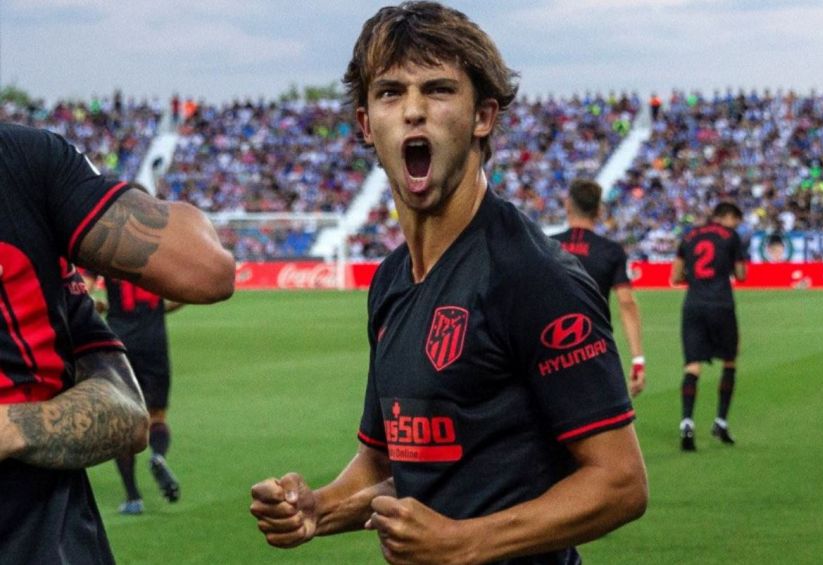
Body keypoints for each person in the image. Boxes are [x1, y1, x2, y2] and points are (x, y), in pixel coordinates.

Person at [250, 3, 648, 564]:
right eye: (390, 92)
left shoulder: (533, 275)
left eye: (438, 90)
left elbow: (621, 483)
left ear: (482, 116)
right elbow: (385, 461)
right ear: (365, 123)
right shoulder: (391, 280)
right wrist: (317, 508)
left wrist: (467, 542)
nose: (413, 110)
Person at [0, 121, 235, 564]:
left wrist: (10, 429)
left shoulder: (24, 168)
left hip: (45, 538)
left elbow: (126, 414)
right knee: (157, 412)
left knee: (145, 414)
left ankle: (131, 494)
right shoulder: (28, 164)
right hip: (148, 340)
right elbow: (209, 269)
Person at [82, 270, 184, 515]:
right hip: (154, 341)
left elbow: (83, 292)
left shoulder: (105, 252)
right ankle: (158, 456)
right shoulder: (156, 254)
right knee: (157, 415)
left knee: (123, 420)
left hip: (120, 342)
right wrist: (158, 310)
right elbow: (184, 293)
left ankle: (133, 497)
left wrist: (100, 305)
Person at [552, 179, 646, 397]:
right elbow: (626, 302)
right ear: (599, 210)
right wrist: (638, 360)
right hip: (594, 348)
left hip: (550, 349)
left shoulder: (544, 245)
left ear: (568, 205)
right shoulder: (611, 251)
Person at [670, 202, 747, 452]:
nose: (737, 225)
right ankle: (721, 421)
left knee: (692, 365)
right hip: (721, 305)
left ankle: (686, 422)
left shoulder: (690, 236)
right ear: (726, 216)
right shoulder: (731, 237)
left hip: (693, 305)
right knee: (730, 360)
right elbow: (741, 273)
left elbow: (675, 276)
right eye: (736, 220)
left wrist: (693, 278)